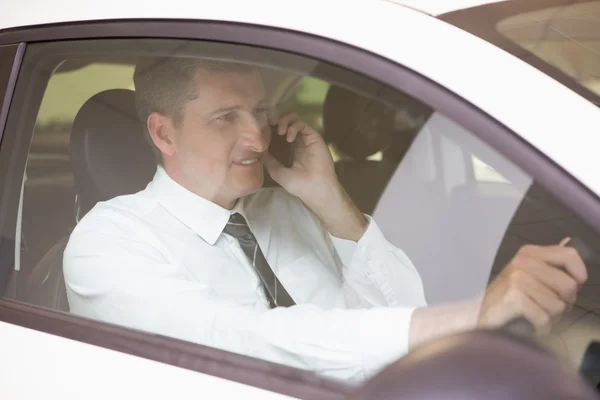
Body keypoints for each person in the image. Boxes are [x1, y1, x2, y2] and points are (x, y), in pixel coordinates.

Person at [63, 57, 587, 383]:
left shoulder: (288, 209)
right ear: (164, 134)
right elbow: (240, 344)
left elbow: (407, 314)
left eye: (259, 112)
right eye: (226, 118)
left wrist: (330, 197)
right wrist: (472, 315)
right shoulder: (108, 244)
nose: (257, 137)